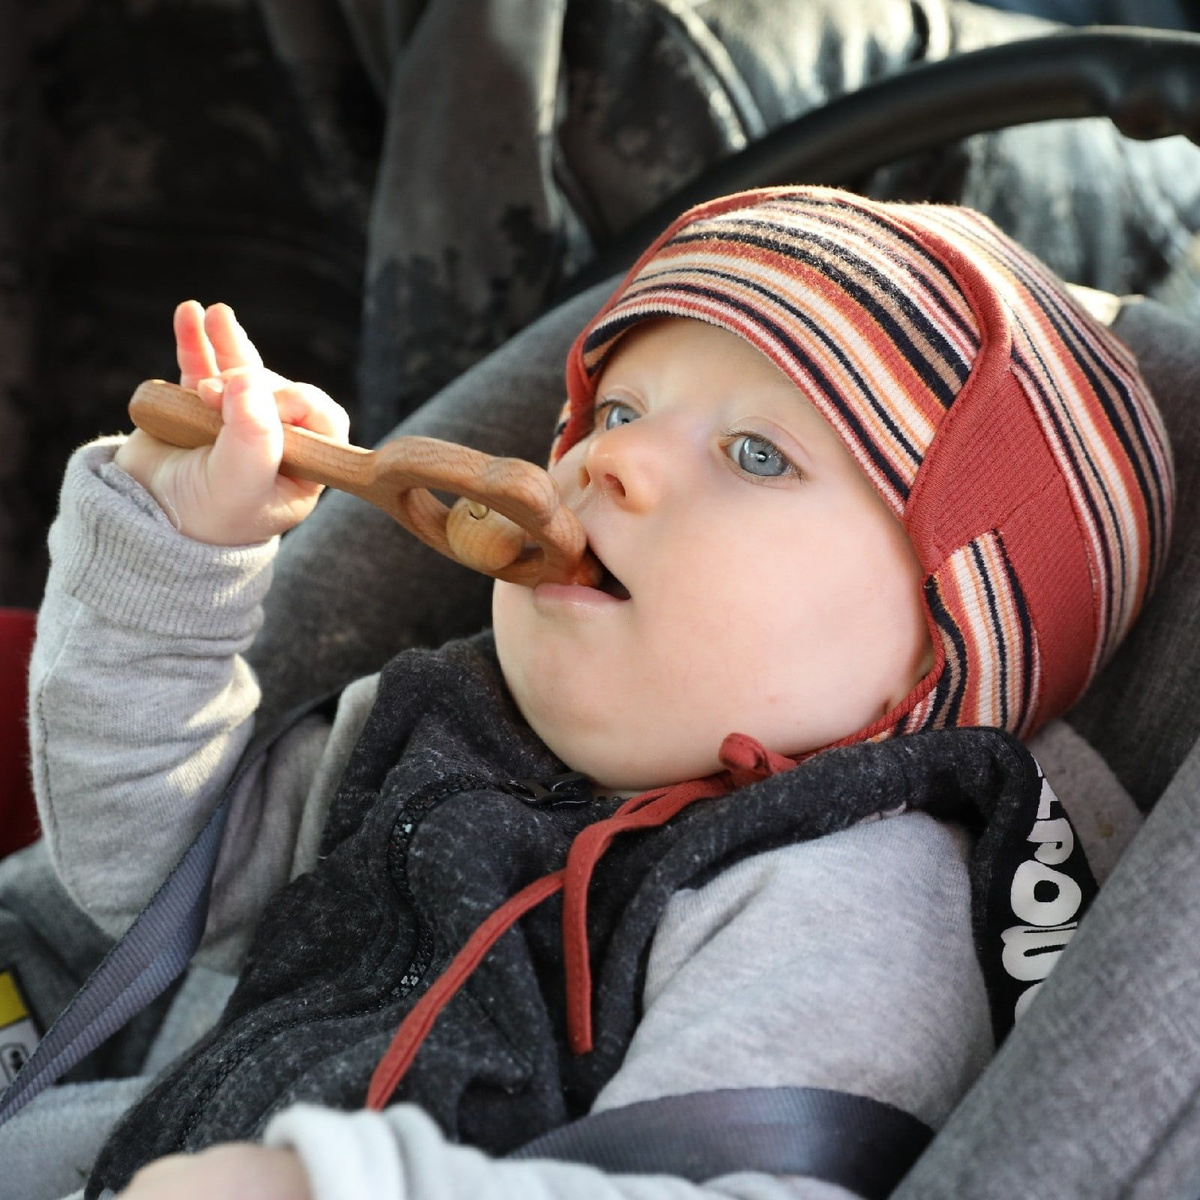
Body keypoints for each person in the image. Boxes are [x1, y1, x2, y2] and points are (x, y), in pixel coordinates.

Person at [22, 186, 1171, 1199]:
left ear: (940, 652)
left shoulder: (840, 898)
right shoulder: (432, 727)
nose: (604, 461)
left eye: (756, 455)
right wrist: (174, 549)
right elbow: (143, 861)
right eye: (618, 411)